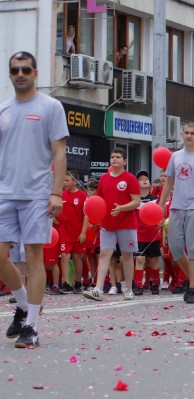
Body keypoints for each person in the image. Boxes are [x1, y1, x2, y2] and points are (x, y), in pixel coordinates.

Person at [0, 51, 69, 348]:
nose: (20, 74)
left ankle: (32, 327)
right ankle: (25, 304)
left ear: (36, 72)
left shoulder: (51, 107)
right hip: (5, 193)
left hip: (36, 195)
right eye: (15, 69)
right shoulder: (3, 109)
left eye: (25, 69)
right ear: (10, 73)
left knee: (33, 256)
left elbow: (59, 152)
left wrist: (56, 192)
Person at [159, 121, 194, 304]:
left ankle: (192, 289)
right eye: (186, 132)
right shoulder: (175, 156)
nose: (189, 135)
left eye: (192, 133)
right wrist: (161, 205)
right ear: (182, 135)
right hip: (176, 206)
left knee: (193, 249)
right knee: (175, 249)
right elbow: (169, 181)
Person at [82, 148, 141, 301]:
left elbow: (136, 201)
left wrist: (121, 208)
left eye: (118, 157)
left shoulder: (130, 179)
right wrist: (96, 217)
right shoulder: (104, 179)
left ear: (125, 161)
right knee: (104, 253)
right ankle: (98, 289)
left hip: (127, 223)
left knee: (127, 255)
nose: (115, 159)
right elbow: (99, 201)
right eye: (112, 157)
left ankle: (128, 288)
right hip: (107, 223)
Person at [56, 170, 88, 294]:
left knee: (77, 257)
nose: (65, 183)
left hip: (77, 231)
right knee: (64, 255)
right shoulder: (60, 195)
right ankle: (66, 283)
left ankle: (78, 282)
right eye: (63, 181)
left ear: (75, 182)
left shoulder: (82, 195)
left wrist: (84, 232)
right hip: (64, 231)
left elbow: (86, 215)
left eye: (67, 180)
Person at [132, 170, 161, 295]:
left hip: (153, 234)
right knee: (139, 259)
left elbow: (161, 214)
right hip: (139, 234)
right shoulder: (134, 200)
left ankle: (155, 284)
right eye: (140, 179)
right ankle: (138, 285)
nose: (144, 180)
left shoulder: (156, 199)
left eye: (146, 179)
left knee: (153, 260)